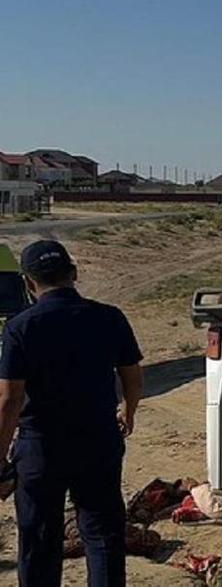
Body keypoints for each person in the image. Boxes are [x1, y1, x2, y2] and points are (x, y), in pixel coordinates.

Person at [0, 240, 144, 586]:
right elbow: (132, 375)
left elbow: (10, 399)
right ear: (74, 274)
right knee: (103, 535)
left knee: (39, 540)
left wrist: (0, 456)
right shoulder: (109, 317)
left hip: (41, 446)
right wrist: (130, 411)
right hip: (98, 439)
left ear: (29, 282)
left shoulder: (20, 327)